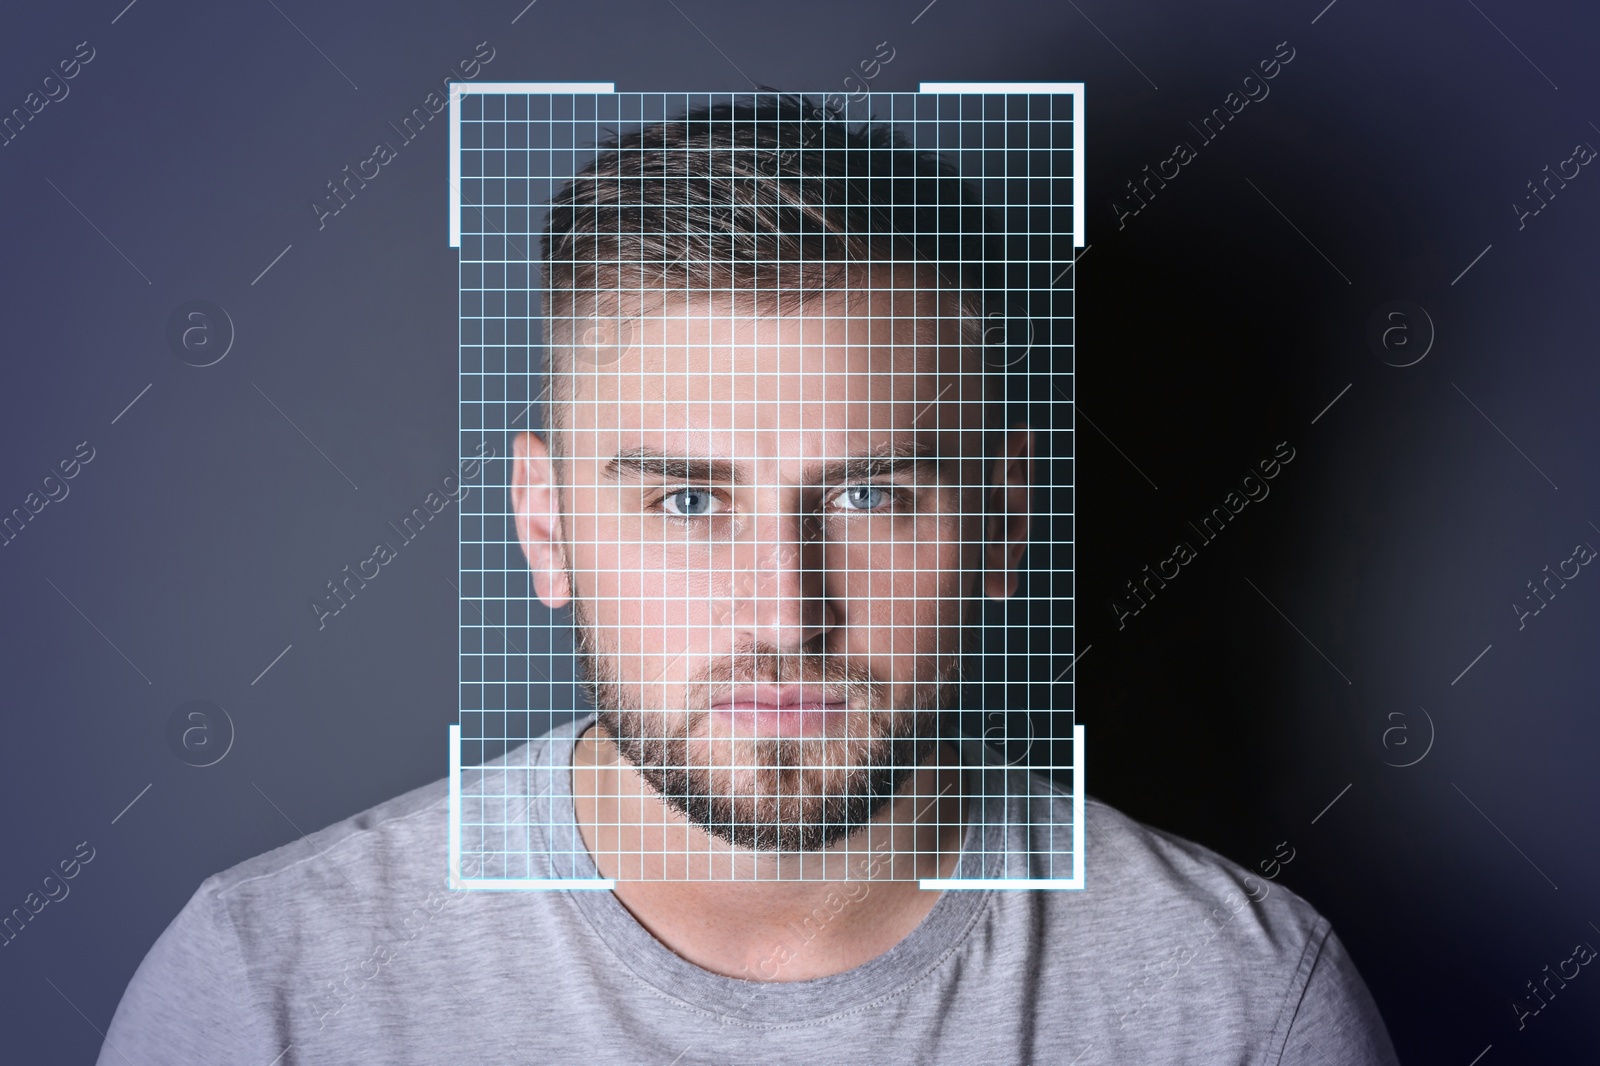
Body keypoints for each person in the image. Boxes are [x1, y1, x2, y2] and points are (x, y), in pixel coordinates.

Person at [99, 95, 1399, 1064]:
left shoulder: (1238, 1007)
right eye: (687, 499)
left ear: (1006, 521)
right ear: (545, 529)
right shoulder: (262, 993)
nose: (786, 610)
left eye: (872, 493)